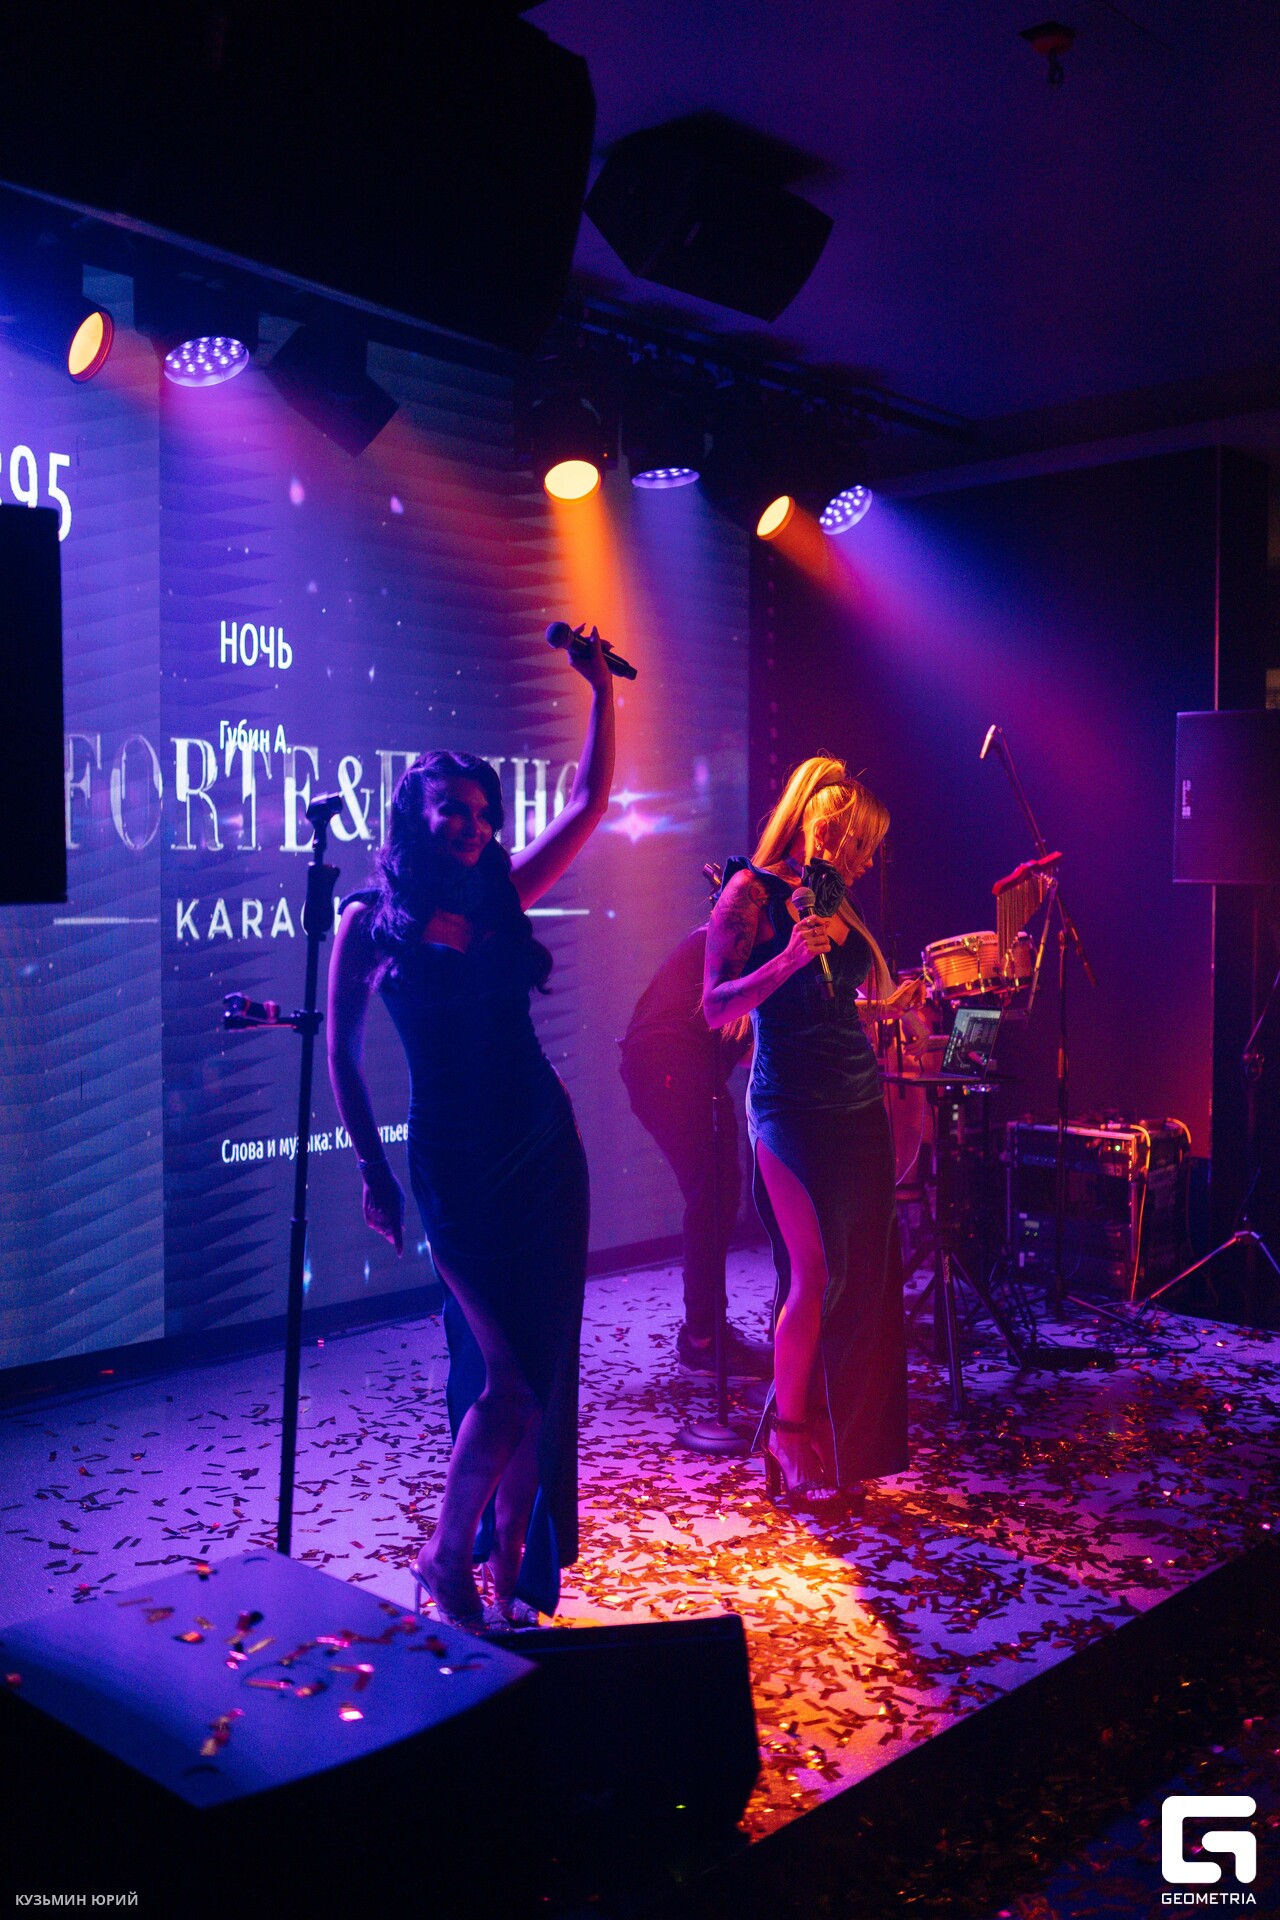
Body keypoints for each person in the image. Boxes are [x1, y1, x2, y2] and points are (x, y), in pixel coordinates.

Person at [327, 632, 615, 1628]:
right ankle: (444, 1561)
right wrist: (372, 1171)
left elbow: (587, 804)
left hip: (543, 1150)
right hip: (453, 1165)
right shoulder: (368, 921)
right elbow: (341, 1056)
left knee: (538, 1379)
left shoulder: (500, 896)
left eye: (485, 812)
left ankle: (509, 1584)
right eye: (454, 807)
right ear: (415, 812)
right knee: (508, 1383)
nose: (474, 824)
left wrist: (600, 695)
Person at [702, 756, 909, 1509]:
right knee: (814, 1271)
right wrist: (789, 958)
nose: (867, 861)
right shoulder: (751, 892)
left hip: (856, 1102)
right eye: (861, 845)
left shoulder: (831, 898)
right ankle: (787, 1434)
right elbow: (716, 1006)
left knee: (860, 1278)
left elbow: (831, 1003)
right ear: (826, 828)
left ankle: (842, 1439)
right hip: (788, 1107)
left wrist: (885, 1009)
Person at [618, 929, 771, 1380]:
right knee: (713, 1196)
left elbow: (740, 1043)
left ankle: (705, 1331)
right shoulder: (734, 940)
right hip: (672, 1064)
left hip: (671, 1064)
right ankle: (703, 1339)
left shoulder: (731, 944)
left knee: (716, 1195)